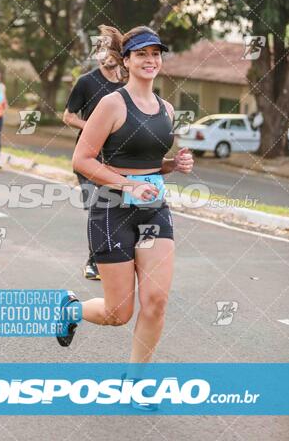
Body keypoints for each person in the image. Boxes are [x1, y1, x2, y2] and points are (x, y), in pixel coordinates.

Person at [58, 26, 193, 406]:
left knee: (156, 301)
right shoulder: (112, 104)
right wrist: (126, 185)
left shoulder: (166, 109)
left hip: (154, 210)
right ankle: (70, 309)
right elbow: (81, 160)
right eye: (142, 54)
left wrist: (173, 165)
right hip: (110, 209)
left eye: (156, 54)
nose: (151, 60)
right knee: (118, 312)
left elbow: (148, 163)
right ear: (128, 60)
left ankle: (134, 384)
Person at [63, 26, 124, 280]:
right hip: (88, 154)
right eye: (98, 49)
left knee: (116, 207)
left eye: (106, 48)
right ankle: (93, 262)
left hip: (118, 156)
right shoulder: (86, 82)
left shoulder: (127, 84)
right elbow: (68, 116)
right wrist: (94, 128)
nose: (102, 54)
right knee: (98, 205)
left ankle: (116, 257)